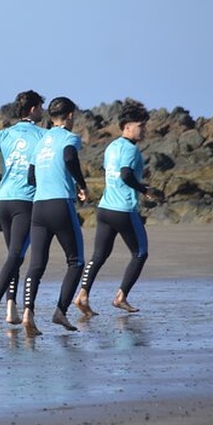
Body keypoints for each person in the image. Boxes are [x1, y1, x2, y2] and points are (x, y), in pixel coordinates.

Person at [74, 99, 163, 315]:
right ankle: (121, 297)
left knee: (99, 255)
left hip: (105, 210)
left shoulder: (112, 146)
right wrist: (144, 190)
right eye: (141, 126)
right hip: (124, 210)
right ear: (127, 126)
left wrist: (139, 183)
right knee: (140, 253)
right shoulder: (131, 150)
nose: (144, 130)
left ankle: (82, 296)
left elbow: (113, 174)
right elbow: (124, 175)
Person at [0, 90, 47, 330]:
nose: (43, 112)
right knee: (16, 255)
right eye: (40, 108)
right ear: (33, 109)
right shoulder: (42, 135)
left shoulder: (3, 134)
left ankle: (10, 309)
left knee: (14, 255)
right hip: (25, 201)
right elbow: (40, 169)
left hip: (4, 200)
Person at [21, 97, 89, 336]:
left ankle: (27, 313)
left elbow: (30, 177)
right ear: (70, 115)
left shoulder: (41, 142)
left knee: (36, 264)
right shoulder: (70, 138)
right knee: (76, 261)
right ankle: (60, 311)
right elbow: (70, 158)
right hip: (61, 204)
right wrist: (81, 185)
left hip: (39, 207)